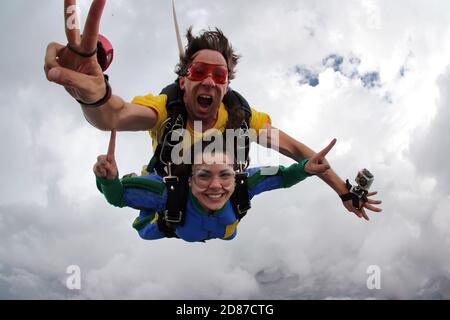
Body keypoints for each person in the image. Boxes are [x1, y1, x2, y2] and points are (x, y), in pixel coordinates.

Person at [45, 0, 382, 220]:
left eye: (218, 75)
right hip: (171, 198)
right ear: (183, 82)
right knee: (152, 207)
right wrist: (94, 97)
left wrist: (343, 191)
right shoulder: (166, 110)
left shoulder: (242, 119)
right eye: (198, 72)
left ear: (226, 86)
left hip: (222, 202)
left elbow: (298, 151)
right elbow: (113, 116)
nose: (208, 81)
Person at [94, 130, 370, 242]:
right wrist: (108, 180)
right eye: (204, 176)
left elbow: (283, 175)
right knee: (145, 229)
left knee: (228, 231)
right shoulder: (166, 191)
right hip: (167, 223)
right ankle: (147, 193)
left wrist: (306, 168)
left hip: (220, 228)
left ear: (236, 173)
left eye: (224, 175)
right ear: (189, 177)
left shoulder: (245, 182)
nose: (216, 186)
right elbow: (117, 197)